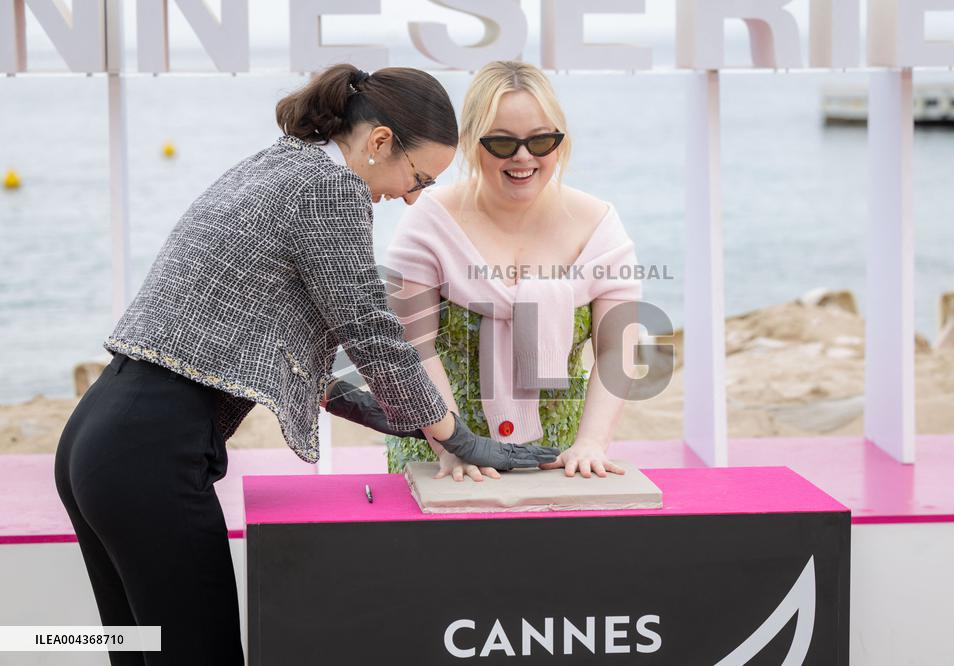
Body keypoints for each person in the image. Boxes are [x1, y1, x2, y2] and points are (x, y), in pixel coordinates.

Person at [54, 64, 558, 666]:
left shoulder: (278, 163)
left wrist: (386, 414)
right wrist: (460, 438)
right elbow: (371, 331)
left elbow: (269, 341)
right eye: (418, 176)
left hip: (95, 439)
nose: (412, 196)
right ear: (379, 142)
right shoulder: (331, 189)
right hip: (148, 453)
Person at [382, 60, 642, 481]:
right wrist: (453, 448)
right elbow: (413, 347)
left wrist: (592, 443)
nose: (523, 157)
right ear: (471, 143)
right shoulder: (430, 221)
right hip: (440, 455)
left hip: (559, 456)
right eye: (502, 143)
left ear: (560, 141)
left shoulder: (599, 225)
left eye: (541, 141)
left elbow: (617, 350)